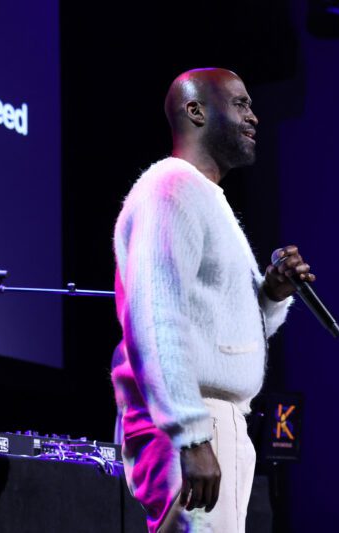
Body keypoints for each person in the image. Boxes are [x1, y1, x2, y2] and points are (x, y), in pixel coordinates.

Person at [111, 68, 314, 532]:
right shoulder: (170, 188)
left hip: (217, 419)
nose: (255, 116)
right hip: (196, 417)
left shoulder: (205, 197)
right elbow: (156, 320)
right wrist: (192, 433)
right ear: (196, 110)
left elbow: (223, 330)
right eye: (241, 104)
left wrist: (272, 295)